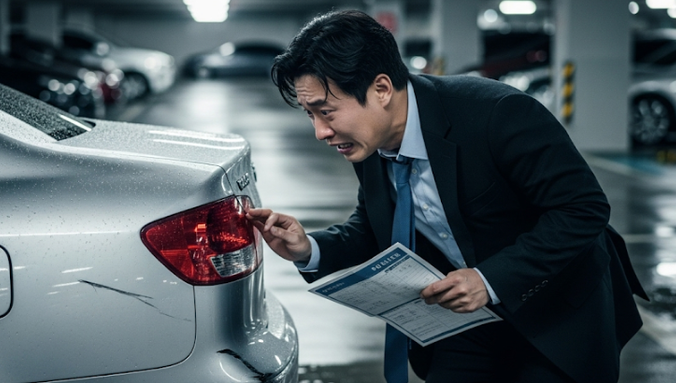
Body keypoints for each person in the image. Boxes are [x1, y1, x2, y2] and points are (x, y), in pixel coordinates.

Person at [247, 9, 647, 383]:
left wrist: (488, 280)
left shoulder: (497, 115)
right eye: (310, 115)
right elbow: (376, 224)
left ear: (382, 89)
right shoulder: (367, 138)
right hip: (463, 320)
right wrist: (309, 247)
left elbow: (582, 208)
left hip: (553, 308)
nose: (320, 131)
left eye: (327, 111)